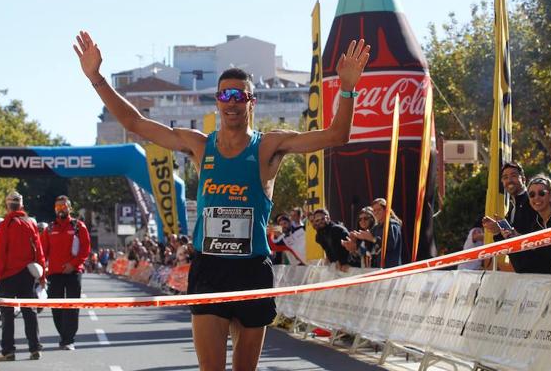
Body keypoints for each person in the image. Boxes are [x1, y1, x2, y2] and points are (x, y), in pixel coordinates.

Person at [74, 30, 369, 370]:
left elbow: (337, 135)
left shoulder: (269, 147)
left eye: (239, 96)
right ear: (217, 100)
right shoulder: (200, 146)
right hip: (210, 268)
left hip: (251, 270)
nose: (232, 101)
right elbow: (134, 123)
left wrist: (347, 88)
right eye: (225, 95)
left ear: (250, 102)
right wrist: (96, 77)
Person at [0, 191, 45, 361]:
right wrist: (42, 275)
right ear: (22, 205)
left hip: (8, 276)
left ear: (7, 205)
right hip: (27, 275)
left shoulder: (6, 224)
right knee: (29, 311)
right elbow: (39, 251)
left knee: (7, 315)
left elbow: (0, 253)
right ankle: (35, 348)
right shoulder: (30, 223)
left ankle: (8, 351)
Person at [42, 195, 91, 351]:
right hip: (54, 274)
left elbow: (85, 250)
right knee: (56, 306)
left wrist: (73, 264)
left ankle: (68, 339)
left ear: (70, 208)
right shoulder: (49, 229)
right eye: (58, 207)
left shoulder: (78, 226)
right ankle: (63, 335)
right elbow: (43, 252)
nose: (61, 209)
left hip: (73, 272)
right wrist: (42, 272)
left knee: (72, 306)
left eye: (63, 206)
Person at [502, 175, 551, 274]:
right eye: (531, 195)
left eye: (541, 193)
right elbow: (527, 265)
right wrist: (515, 241)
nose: (536, 198)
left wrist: (530, 242)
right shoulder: (535, 225)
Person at [482, 162, 538, 272]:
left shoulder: (533, 202)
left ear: (523, 179)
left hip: (540, 273)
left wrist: (519, 237)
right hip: (522, 273)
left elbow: (539, 236)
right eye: (505, 177)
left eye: (513, 176)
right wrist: (496, 231)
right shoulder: (512, 209)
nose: (509, 180)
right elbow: (508, 245)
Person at [353, 198, 403, 268]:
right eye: (374, 211)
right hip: (380, 267)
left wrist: (373, 239)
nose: (376, 212)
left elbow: (390, 245)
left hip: (391, 267)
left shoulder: (392, 225)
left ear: (386, 210)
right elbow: (370, 249)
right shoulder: (376, 228)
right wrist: (354, 246)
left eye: (379, 210)